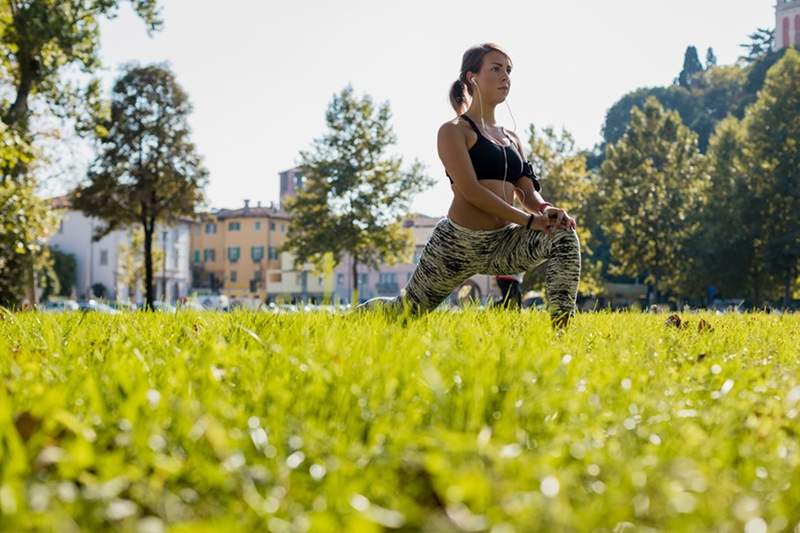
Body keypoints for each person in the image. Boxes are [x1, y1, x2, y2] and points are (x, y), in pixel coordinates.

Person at [359, 43, 581, 328]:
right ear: (471, 77)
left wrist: (547, 211)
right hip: (458, 243)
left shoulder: (512, 138)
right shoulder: (453, 131)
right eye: (496, 69)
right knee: (405, 311)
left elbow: (527, 191)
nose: (506, 77)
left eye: (509, 71)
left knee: (563, 235)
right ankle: (344, 323)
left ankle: (561, 333)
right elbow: (470, 191)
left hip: (504, 243)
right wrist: (528, 220)